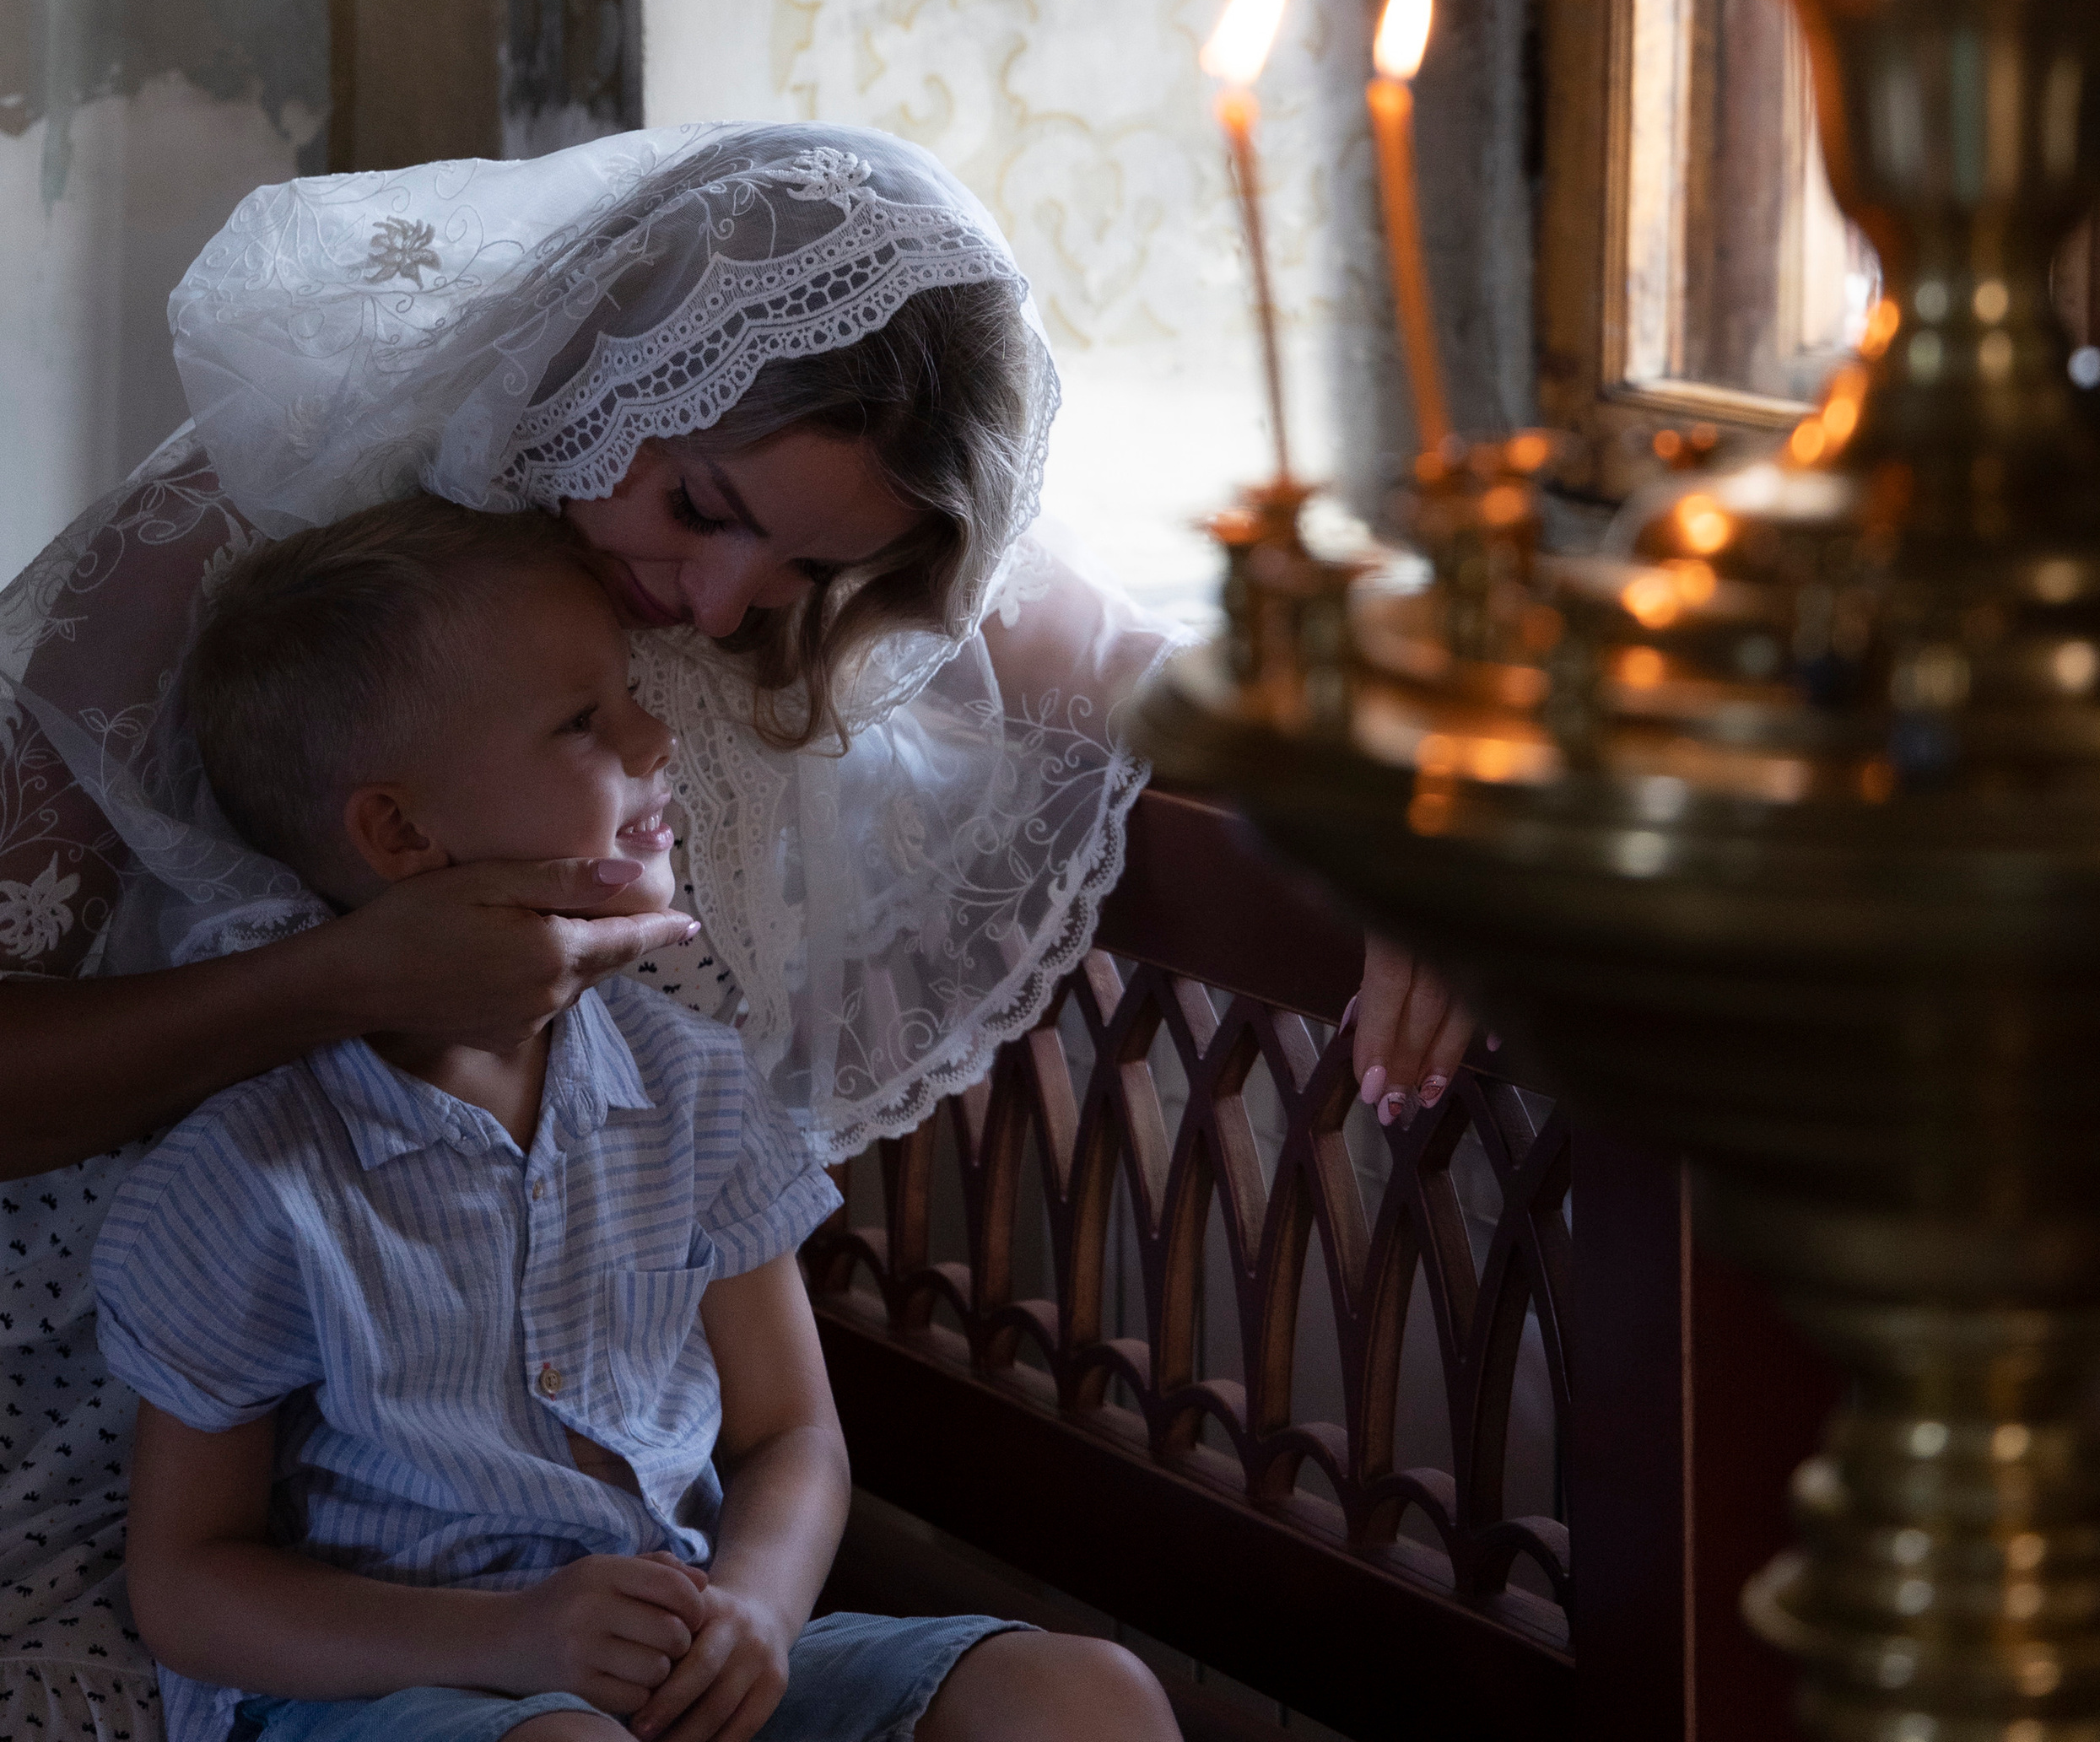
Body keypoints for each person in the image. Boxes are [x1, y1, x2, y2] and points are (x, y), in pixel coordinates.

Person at [0, 121, 1467, 1739]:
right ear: (626, 353)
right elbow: (195, 1557)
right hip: (247, 1439)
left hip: (641, 1559)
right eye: (700, 502)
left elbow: (1157, 671)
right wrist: (341, 981)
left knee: (1072, 1699)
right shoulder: (271, 548)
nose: (714, 605)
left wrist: (1398, 820)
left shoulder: (684, 1086)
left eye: (804, 569)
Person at [96, 493, 1170, 1742]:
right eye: (583, 722)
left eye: (629, 692)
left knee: (1081, 1695)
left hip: (681, 1668)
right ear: (400, 831)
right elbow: (186, 1584)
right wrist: (514, 1641)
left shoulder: (688, 1086)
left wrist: (757, 1616)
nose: (656, 734)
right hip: (401, 1691)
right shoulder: (254, 1169)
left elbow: (791, 1436)